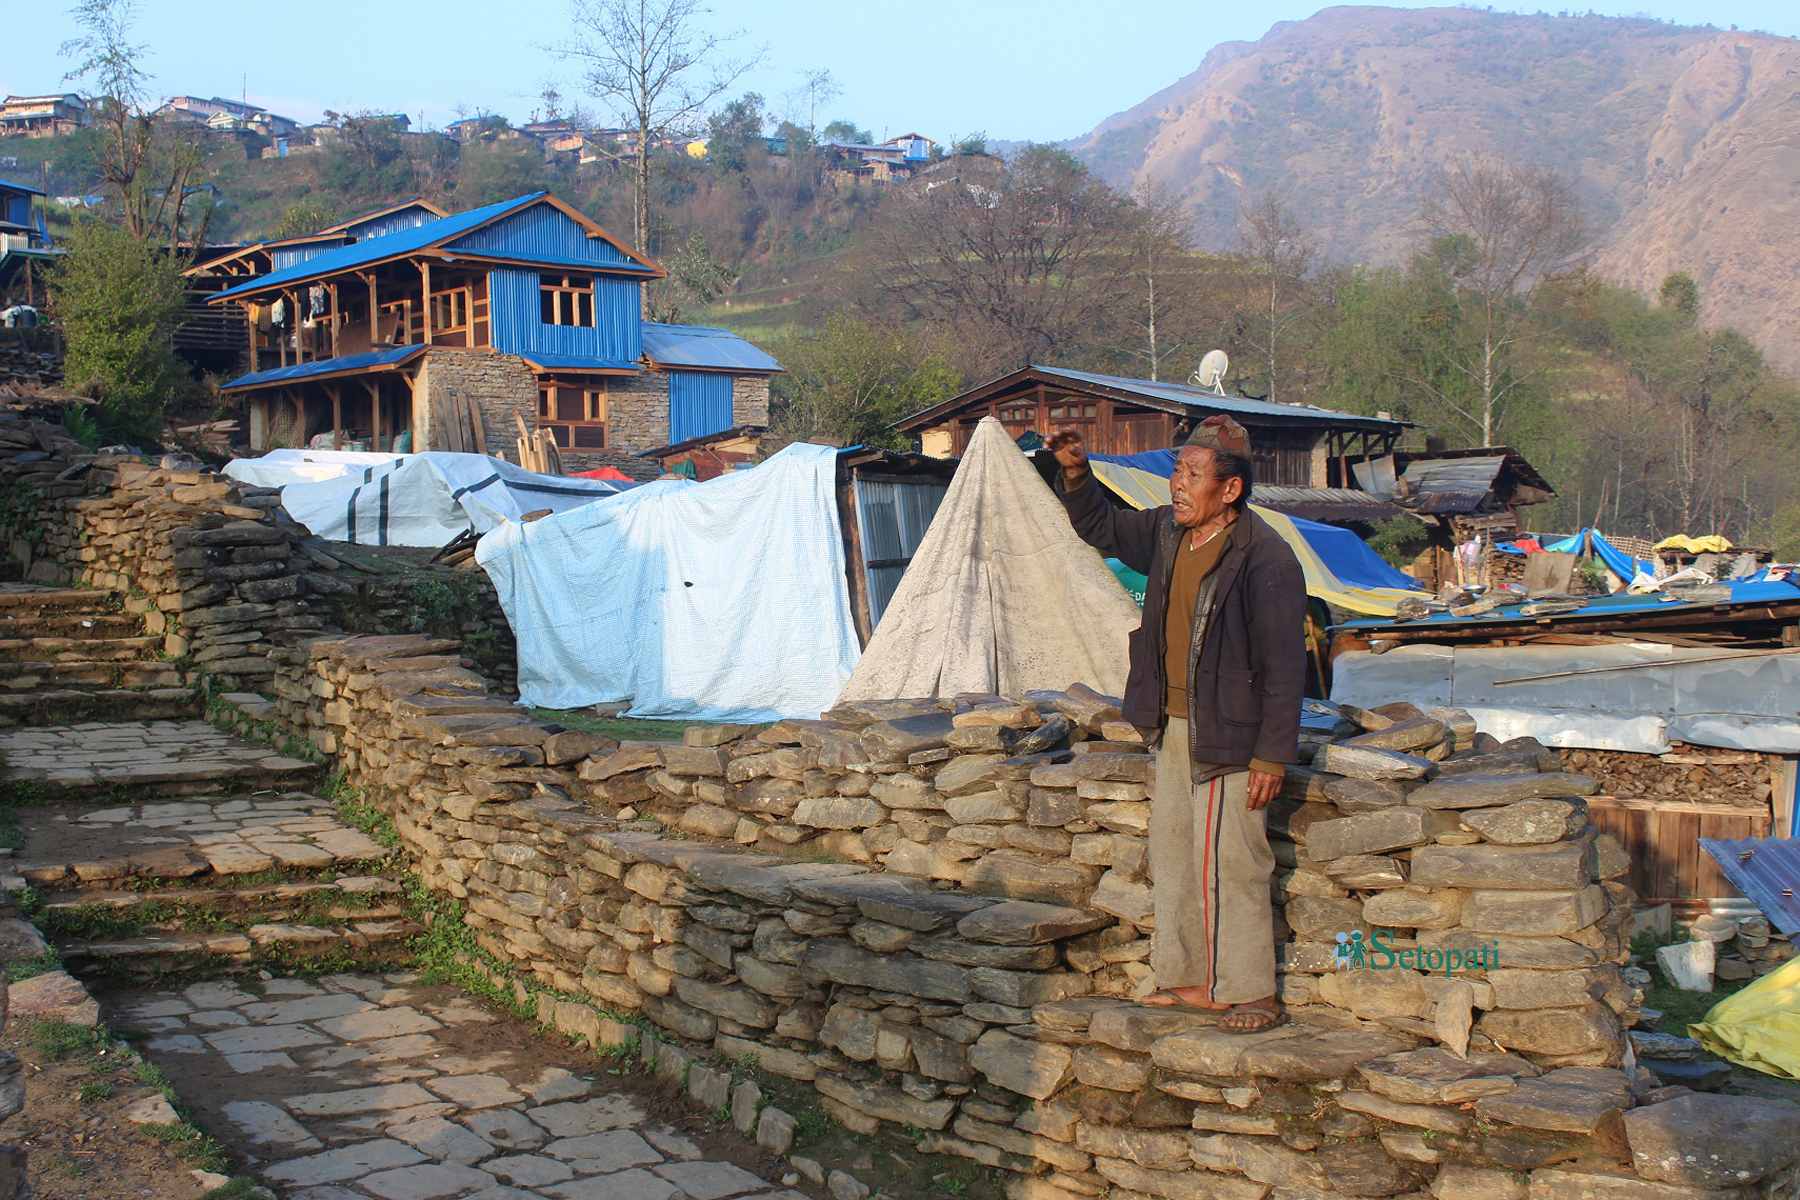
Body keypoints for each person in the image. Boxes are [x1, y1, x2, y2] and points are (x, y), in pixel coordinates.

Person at [1050, 415, 1305, 1032]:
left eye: (1193, 474)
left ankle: (1252, 993)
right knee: (1174, 855)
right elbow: (1100, 526)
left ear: (1231, 489)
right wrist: (1077, 474)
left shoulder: (1264, 557)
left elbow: (1284, 666)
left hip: (1233, 736)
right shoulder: (1167, 532)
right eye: (1177, 471)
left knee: (1233, 865)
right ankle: (1191, 980)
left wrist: (1272, 755)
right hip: (1172, 724)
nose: (1177, 484)